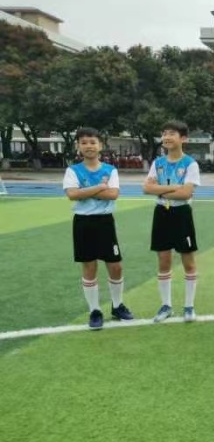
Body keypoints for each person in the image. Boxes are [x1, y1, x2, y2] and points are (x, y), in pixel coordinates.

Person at [62, 127, 133, 330]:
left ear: (100, 145)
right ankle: (95, 310)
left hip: (105, 222)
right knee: (89, 266)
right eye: (84, 142)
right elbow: (72, 194)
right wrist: (100, 187)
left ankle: (117, 306)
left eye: (92, 142)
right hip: (83, 222)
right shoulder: (73, 170)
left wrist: (85, 191)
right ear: (78, 146)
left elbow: (113, 194)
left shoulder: (110, 170)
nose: (89, 146)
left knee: (115, 266)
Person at [143, 120, 201, 323]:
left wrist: (159, 189)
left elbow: (185, 193)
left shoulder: (190, 164)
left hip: (181, 213)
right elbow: (146, 188)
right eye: (164, 133)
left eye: (172, 133)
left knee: (188, 261)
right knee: (163, 260)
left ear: (183, 138)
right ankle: (166, 306)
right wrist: (173, 188)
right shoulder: (158, 163)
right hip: (162, 212)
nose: (166, 137)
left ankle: (189, 306)